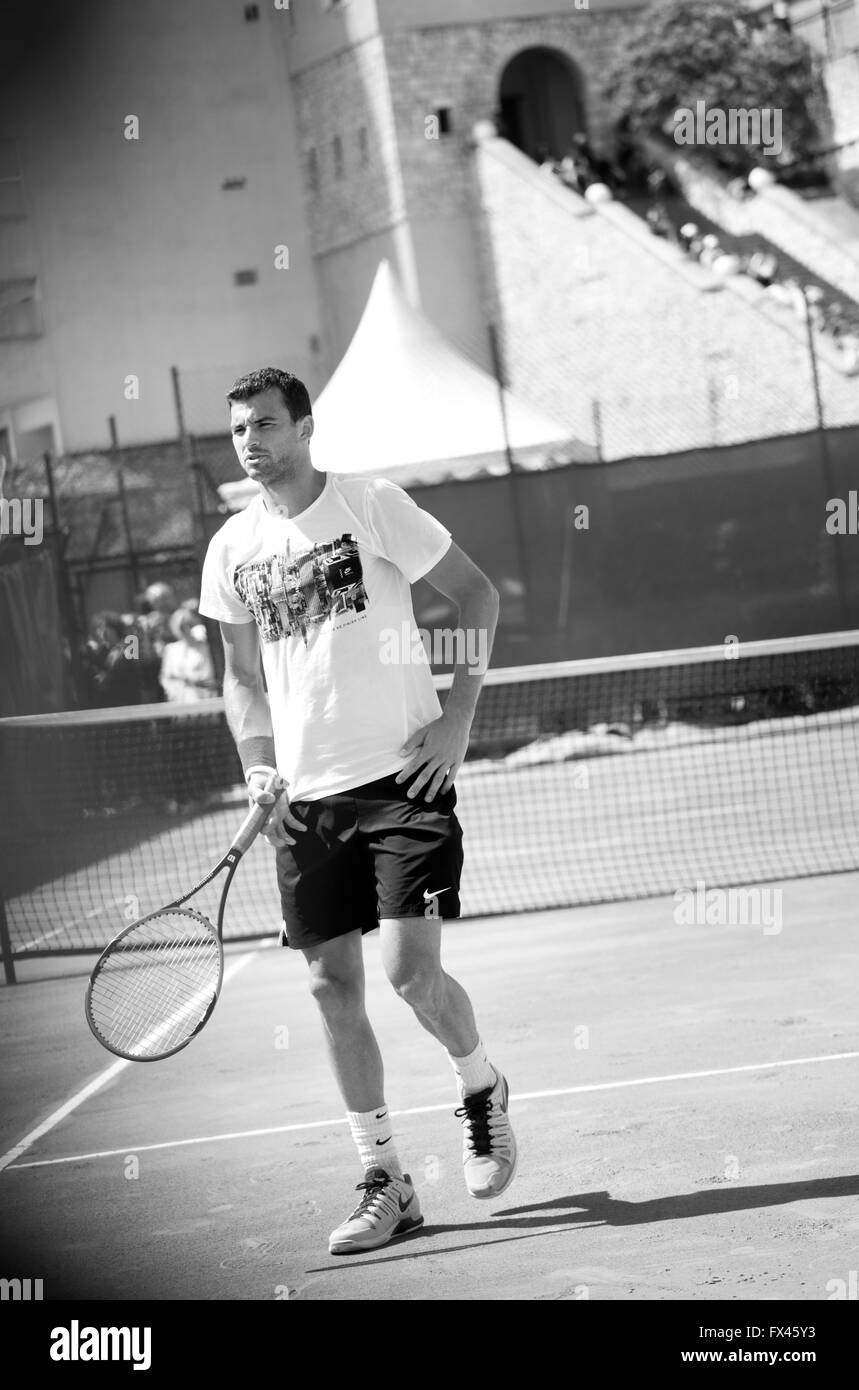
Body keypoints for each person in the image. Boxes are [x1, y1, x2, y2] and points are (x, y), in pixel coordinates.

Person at [198, 366, 516, 1257]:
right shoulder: (230, 550)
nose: (251, 442)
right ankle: (387, 1179)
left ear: (304, 428)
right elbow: (240, 677)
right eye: (238, 430)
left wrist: (455, 720)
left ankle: (482, 1088)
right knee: (330, 987)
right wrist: (258, 766)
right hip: (305, 806)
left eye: (265, 424)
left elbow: (477, 597)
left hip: (402, 787)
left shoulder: (371, 505)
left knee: (412, 976)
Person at [160, 601, 217, 703]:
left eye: (189, 625)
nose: (186, 629)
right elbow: (166, 678)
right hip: (180, 704)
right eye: (182, 626)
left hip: (206, 702)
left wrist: (187, 680)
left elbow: (209, 676)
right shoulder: (171, 649)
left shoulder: (207, 648)